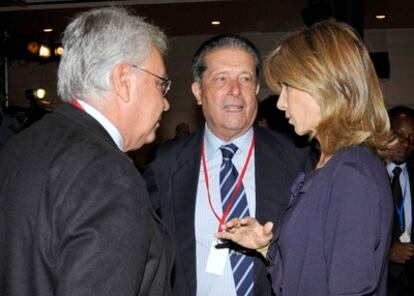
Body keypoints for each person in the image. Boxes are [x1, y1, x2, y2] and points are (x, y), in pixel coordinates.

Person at [0, 7, 173, 296]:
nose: (166, 104)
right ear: (123, 81)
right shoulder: (108, 173)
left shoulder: (18, 147)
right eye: (160, 84)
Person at [216, 20, 395, 295]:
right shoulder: (328, 166)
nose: (280, 103)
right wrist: (265, 245)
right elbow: (309, 271)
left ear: (322, 85)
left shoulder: (352, 174)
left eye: (287, 87)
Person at [144, 34, 315, 296]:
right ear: (198, 92)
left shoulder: (297, 159)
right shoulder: (165, 164)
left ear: (257, 90)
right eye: (221, 79)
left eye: (245, 79)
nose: (235, 90)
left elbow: (313, 252)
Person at [387, 106, 414, 296]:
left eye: (412, 139)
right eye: (399, 136)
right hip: (379, 278)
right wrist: (386, 253)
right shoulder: (365, 173)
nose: (406, 144)